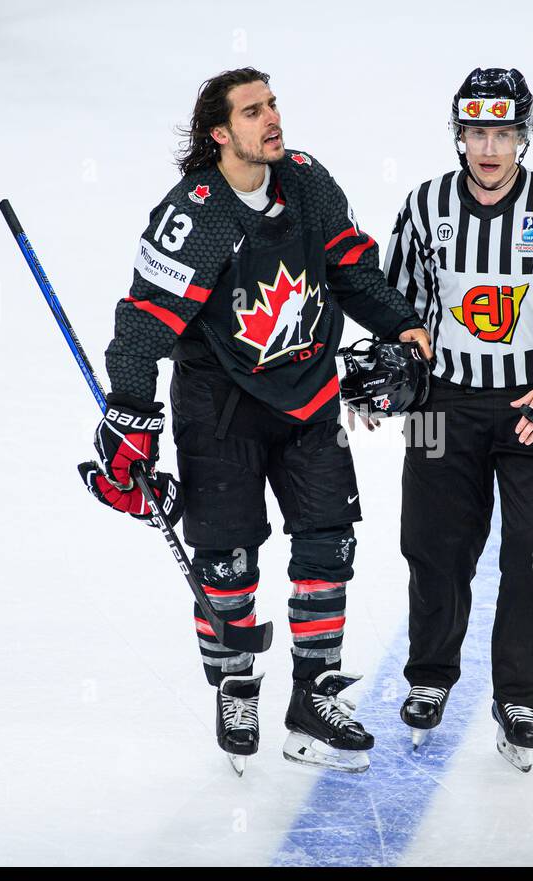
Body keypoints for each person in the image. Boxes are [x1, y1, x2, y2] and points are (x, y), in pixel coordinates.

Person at [81, 67, 430, 774]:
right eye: (252, 111)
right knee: (228, 566)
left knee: (328, 549)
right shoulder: (198, 216)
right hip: (222, 411)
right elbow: (142, 327)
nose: (272, 119)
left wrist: (405, 328)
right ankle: (236, 686)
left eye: (272, 104)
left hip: (308, 399)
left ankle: (313, 700)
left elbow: (350, 268)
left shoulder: (304, 180)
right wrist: (129, 419)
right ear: (219, 133)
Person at [384, 67, 533, 772]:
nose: (489, 147)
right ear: (459, 135)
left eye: (504, 132)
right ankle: (429, 676)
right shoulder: (425, 206)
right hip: (441, 406)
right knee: (432, 546)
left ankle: (519, 695)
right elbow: (400, 304)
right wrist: (393, 375)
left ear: (523, 135)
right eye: (477, 131)